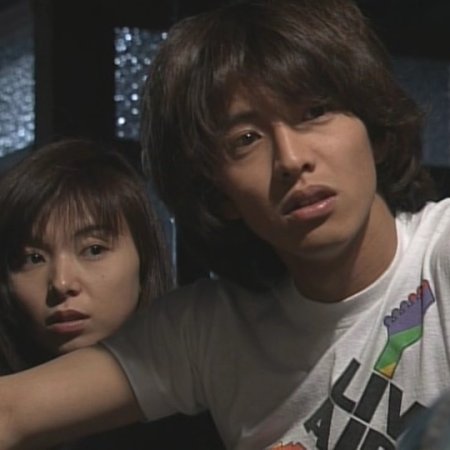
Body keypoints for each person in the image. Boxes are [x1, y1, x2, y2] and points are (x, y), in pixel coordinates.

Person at [0, 0, 448, 449]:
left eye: (314, 112)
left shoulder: (438, 254)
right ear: (218, 193)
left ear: (374, 131)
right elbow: (11, 410)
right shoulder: (213, 331)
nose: (291, 159)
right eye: (246, 139)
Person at [0, 139, 224, 449]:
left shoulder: (210, 404)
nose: (61, 283)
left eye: (93, 250)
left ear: (143, 260)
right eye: (33, 258)